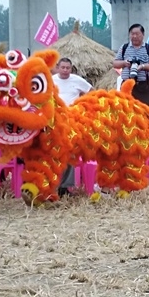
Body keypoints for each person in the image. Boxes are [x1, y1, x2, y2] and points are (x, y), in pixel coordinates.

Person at [52, 58, 93, 196]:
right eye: (63, 67)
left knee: (70, 152)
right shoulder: (51, 81)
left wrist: (84, 105)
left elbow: (91, 92)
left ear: (71, 68)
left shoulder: (77, 80)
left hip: (72, 121)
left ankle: (65, 187)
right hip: (54, 121)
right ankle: (51, 185)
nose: (65, 70)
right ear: (57, 68)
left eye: (67, 68)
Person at [113, 23, 149, 106]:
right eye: (132, 34)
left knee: (143, 110)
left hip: (143, 85)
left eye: (137, 34)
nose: (134, 36)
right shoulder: (124, 47)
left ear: (143, 34)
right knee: (126, 108)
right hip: (127, 83)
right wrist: (124, 63)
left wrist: (143, 66)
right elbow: (115, 63)